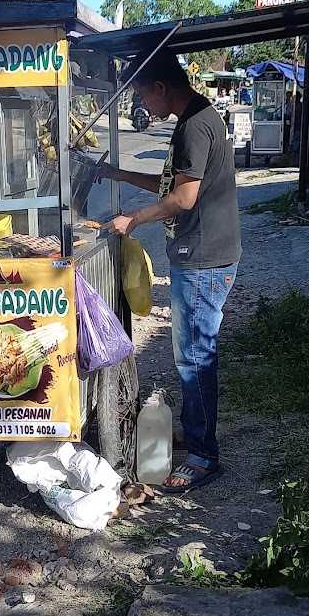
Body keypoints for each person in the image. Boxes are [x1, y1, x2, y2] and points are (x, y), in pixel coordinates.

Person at [102, 50, 241, 492]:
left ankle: (203, 456)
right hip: (206, 254)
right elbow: (172, 185)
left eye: (142, 93)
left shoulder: (194, 126)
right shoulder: (195, 118)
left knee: (195, 359)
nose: (142, 103)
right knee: (195, 356)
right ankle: (193, 432)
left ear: (160, 87)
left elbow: (183, 200)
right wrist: (117, 173)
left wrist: (133, 220)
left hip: (202, 259)